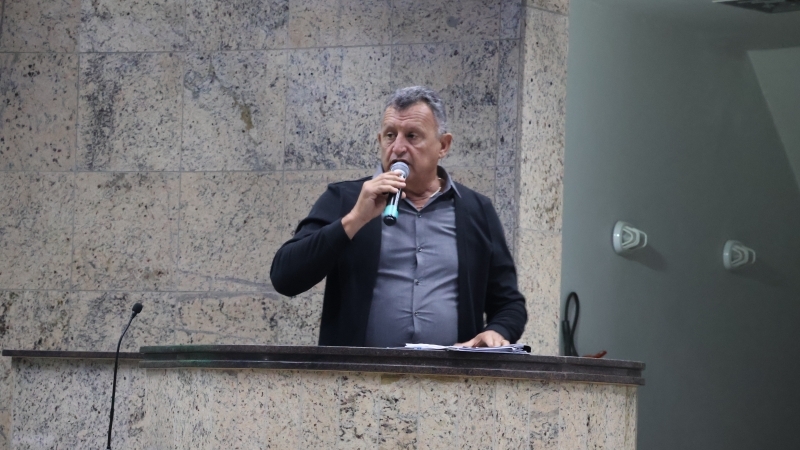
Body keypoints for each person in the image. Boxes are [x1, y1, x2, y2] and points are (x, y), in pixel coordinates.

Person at [271, 86, 527, 348]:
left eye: (412, 136)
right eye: (390, 136)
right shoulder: (345, 199)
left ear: (443, 145)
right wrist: (355, 219)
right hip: (358, 371)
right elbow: (285, 277)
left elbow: (509, 304)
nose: (398, 148)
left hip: (450, 372)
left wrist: (497, 331)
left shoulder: (477, 210)